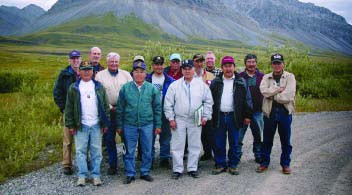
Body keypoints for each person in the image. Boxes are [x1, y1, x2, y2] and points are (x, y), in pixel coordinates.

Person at [164, 59, 213, 179]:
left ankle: (192, 168)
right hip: (179, 118)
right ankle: (177, 169)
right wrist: (171, 118)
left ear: (193, 70)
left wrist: (205, 116)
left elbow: (208, 102)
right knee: (177, 145)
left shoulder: (201, 85)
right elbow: (168, 103)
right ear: (182, 70)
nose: (187, 71)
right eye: (184, 68)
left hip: (195, 118)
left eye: (189, 68)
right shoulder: (174, 85)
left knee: (194, 145)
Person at [65, 61, 110, 186]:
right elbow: (68, 108)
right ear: (79, 71)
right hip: (81, 125)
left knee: (97, 152)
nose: (86, 72)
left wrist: (105, 124)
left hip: (96, 124)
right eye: (84, 69)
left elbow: (105, 106)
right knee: (80, 151)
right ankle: (82, 176)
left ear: (93, 72)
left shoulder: (99, 86)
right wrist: (71, 125)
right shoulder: (74, 87)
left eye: (89, 69)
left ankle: (96, 175)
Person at [116, 61, 162, 184]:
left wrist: (158, 125)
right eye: (136, 71)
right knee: (129, 150)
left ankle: (145, 172)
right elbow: (120, 108)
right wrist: (119, 125)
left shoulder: (152, 88)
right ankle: (130, 173)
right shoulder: (125, 88)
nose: (139, 74)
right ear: (133, 73)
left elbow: (157, 108)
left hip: (147, 124)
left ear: (145, 74)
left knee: (147, 149)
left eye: (142, 72)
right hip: (129, 124)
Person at [210, 56, 252, 176]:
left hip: (235, 116)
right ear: (222, 68)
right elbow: (210, 99)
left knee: (234, 141)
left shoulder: (241, 81)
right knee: (219, 141)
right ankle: (220, 164)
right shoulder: (216, 82)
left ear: (234, 67)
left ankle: (233, 165)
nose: (228, 69)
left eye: (230, 66)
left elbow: (247, 100)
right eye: (225, 66)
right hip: (219, 116)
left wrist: (248, 115)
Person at [256, 53, 296, 174]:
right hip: (270, 112)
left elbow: (289, 96)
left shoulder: (290, 77)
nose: (277, 65)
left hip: (284, 112)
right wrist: (278, 90)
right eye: (274, 63)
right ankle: (264, 163)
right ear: (272, 64)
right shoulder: (266, 77)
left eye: (279, 63)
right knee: (267, 140)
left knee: (285, 140)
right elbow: (263, 91)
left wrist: (272, 94)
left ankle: (285, 164)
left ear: (283, 64)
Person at [95, 52, 133, 175]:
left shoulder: (126, 75)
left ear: (119, 62)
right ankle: (113, 165)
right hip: (108, 112)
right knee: (109, 140)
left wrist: (122, 107)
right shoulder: (99, 76)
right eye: (112, 61)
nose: (114, 63)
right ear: (107, 62)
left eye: (116, 61)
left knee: (126, 139)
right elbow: (99, 95)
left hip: (124, 112)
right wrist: (110, 107)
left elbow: (132, 91)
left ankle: (128, 164)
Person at [53, 49, 81, 175]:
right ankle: (67, 164)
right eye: (73, 58)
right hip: (68, 111)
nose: (75, 60)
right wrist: (63, 108)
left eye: (77, 58)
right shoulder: (64, 74)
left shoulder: (85, 72)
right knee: (68, 139)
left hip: (83, 112)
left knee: (83, 138)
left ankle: (83, 162)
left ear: (80, 59)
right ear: (69, 60)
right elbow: (57, 92)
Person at [146, 56, 175, 168]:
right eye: (156, 64)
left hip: (165, 111)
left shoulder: (170, 80)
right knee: (149, 137)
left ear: (164, 65)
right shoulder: (147, 79)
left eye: (161, 64)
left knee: (166, 137)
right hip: (150, 111)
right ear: (153, 66)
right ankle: (150, 159)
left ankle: (164, 158)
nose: (159, 66)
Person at [238, 54, 264, 163]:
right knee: (238, 136)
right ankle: (236, 155)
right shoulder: (240, 76)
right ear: (245, 63)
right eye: (249, 62)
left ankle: (258, 154)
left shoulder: (263, 77)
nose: (251, 64)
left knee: (258, 135)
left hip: (258, 112)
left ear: (256, 63)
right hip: (242, 112)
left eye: (253, 62)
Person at [193, 54, 215, 161]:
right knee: (195, 132)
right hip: (194, 108)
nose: (199, 64)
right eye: (197, 61)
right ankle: (192, 155)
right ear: (193, 62)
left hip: (207, 107)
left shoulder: (210, 75)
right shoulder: (189, 75)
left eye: (201, 61)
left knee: (208, 132)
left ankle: (208, 152)